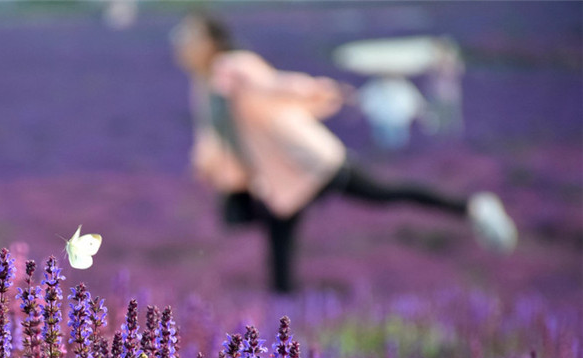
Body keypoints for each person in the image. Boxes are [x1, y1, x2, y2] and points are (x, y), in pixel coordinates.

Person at [170, 13, 517, 293]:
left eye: (189, 37)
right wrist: (208, 166)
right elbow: (215, 137)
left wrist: (321, 89)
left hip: (309, 160)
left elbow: (275, 85)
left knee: (384, 193)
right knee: (278, 242)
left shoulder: (233, 66)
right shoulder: (202, 84)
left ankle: (474, 208)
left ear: (211, 41)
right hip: (278, 179)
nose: (180, 44)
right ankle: (282, 327)